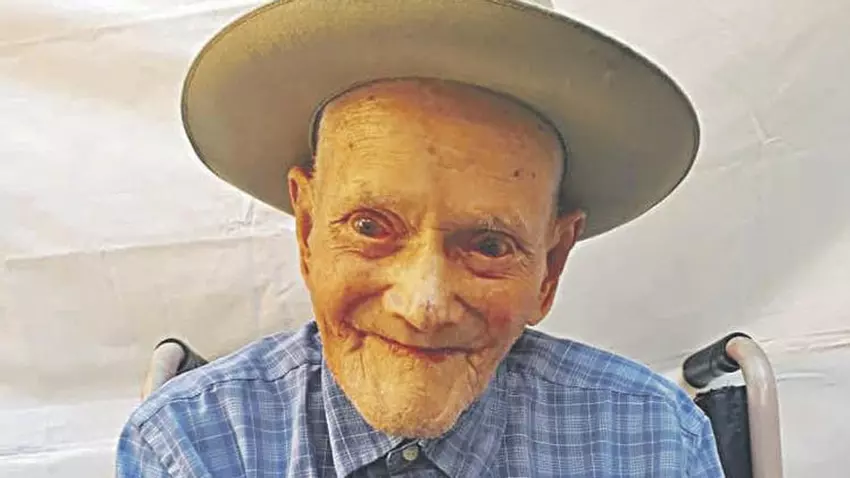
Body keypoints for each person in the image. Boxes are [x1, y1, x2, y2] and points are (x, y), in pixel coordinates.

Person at [116, 0, 724, 476]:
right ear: (307, 231)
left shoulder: (654, 443)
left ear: (551, 265)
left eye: (489, 245)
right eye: (370, 227)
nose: (424, 306)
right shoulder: (192, 447)